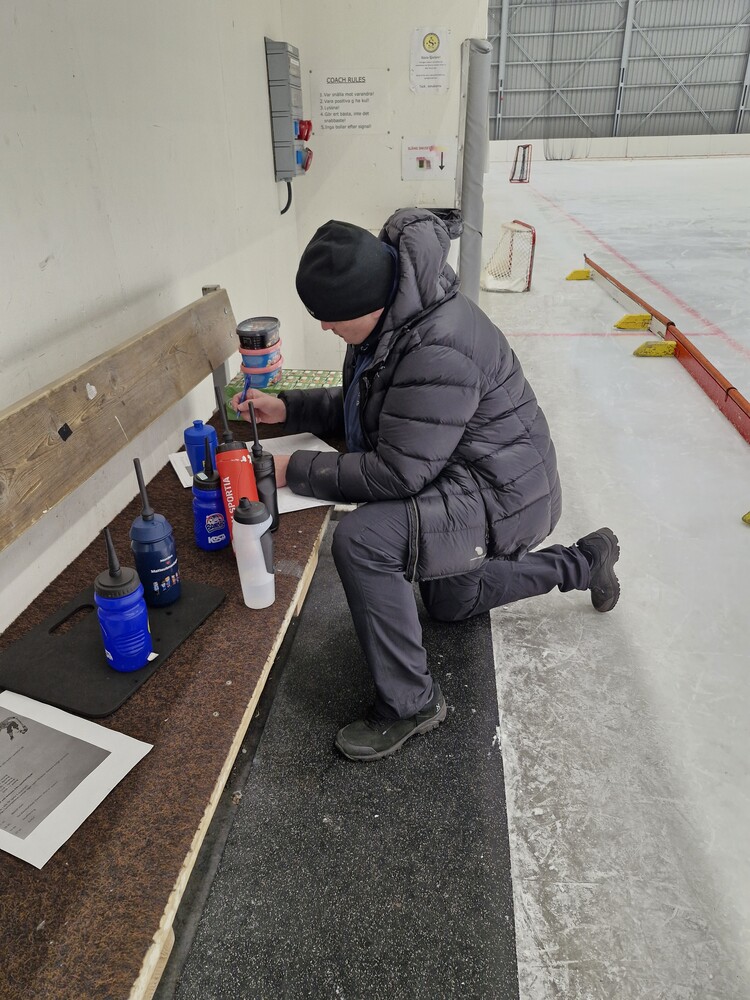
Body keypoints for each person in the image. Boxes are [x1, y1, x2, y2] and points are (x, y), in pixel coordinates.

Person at [233, 209, 620, 762]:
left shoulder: (439, 344)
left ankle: (411, 704)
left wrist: (292, 469)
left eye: (330, 319)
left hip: (502, 494)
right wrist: (289, 409)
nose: (323, 328)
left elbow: (397, 471)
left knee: (363, 540)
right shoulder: (396, 316)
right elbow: (380, 407)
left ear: (367, 304)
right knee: (451, 601)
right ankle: (585, 561)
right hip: (463, 471)